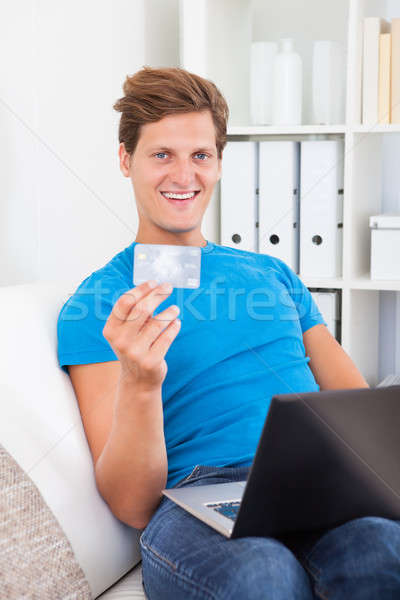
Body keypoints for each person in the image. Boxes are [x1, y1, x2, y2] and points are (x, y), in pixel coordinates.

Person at [57, 66, 400, 600]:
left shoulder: (272, 276)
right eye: (161, 154)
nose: (183, 175)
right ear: (126, 160)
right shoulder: (98, 305)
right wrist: (143, 381)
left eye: (200, 155)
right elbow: (130, 503)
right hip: (195, 496)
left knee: (380, 551)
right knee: (262, 574)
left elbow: (355, 408)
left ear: (218, 164)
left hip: (313, 483)